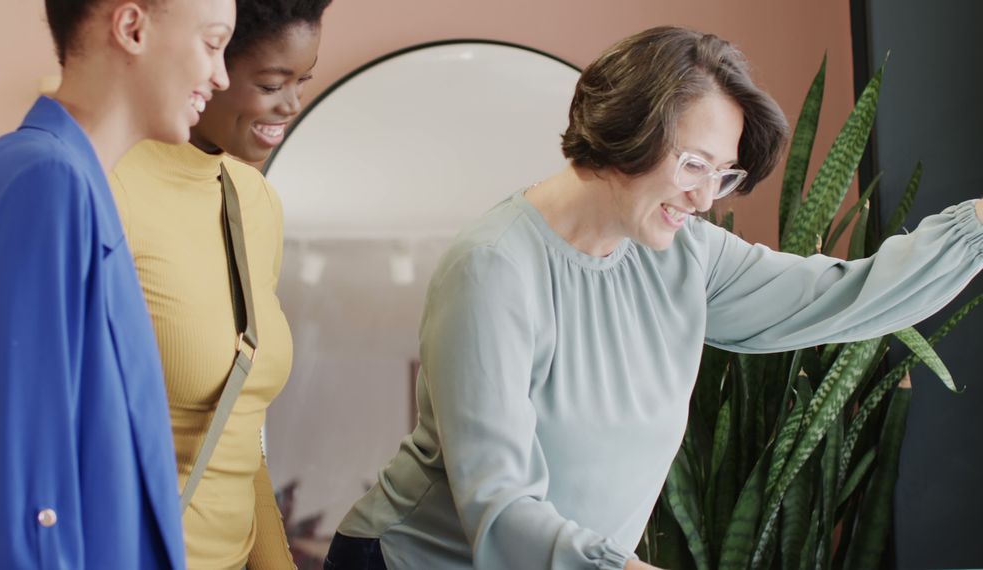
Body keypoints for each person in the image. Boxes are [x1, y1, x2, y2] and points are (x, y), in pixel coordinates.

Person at [325, 26, 983, 570]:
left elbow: (844, 295)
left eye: (722, 175)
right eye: (694, 164)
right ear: (628, 128)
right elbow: (501, 506)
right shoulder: (494, 270)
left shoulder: (685, 257)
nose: (705, 198)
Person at [0, 0, 235, 567]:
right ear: (132, 27)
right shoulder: (48, 184)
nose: (222, 75)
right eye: (212, 43)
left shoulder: (40, 174)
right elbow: (36, 502)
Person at [108, 0, 330, 567]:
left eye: (302, 81)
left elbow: (239, 427)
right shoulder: (109, 189)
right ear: (208, 62)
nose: (293, 104)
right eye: (272, 83)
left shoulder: (253, 198)